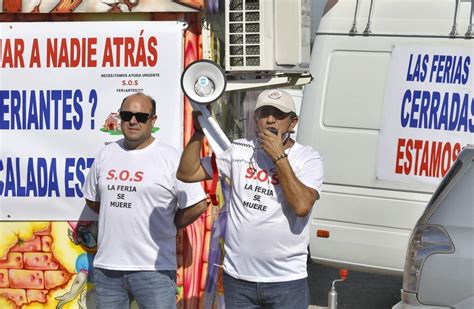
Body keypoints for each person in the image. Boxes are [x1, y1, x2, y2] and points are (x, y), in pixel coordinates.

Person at [177, 89, 323, 308]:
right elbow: (187, 173)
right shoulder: (239, 151)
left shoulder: (308, 158)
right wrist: (198, 134)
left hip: (285, 281)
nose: (271, 120)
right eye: (264, 113)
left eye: (279, 114)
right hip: (238, 279)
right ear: (256, 119)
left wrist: (278, 157)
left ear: (293, 123)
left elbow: (302, 206)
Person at [82, 92, 208, 309]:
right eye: (126, 115)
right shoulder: (106, 154)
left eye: (141, 116)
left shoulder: (170, 158)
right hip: (108, 269)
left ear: (153, 120)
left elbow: (198, 204)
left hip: (154, 270)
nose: (132, 121)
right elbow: (93, 200)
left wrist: (171, 222)